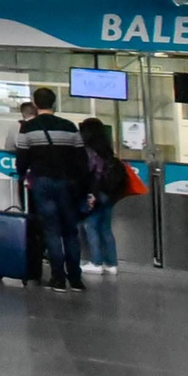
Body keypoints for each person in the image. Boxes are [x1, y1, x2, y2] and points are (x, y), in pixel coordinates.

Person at [15, 87, 93, 293]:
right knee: (70, 230)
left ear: (35, 103)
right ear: (54, 103)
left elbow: (21, 159)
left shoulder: (28, 128)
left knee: (51, 230)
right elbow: (81, 160)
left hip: (42, 182)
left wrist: (23, 174)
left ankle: (57, 278)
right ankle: (75, 279)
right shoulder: (69, 127)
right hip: (68, 184)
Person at [79, 117, 121, 276]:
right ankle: (111, 264)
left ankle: (96, 262)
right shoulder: (107, 150)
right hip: (108, 194)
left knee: (90, 225)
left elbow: (91, 174)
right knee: (105, 228)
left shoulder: (89, 152)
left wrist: (90, 194)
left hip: (95, 192)